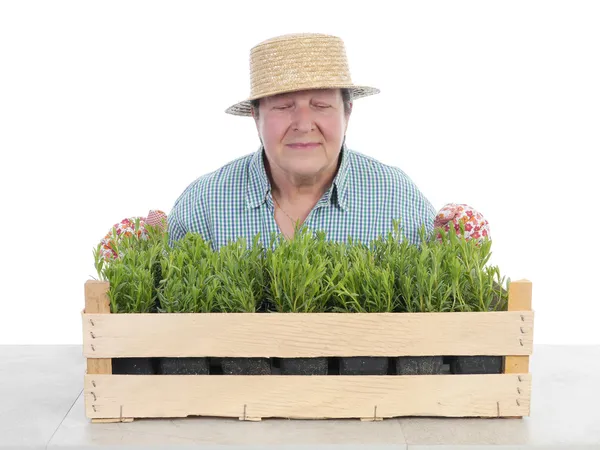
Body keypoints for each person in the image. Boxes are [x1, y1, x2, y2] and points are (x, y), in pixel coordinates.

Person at [167, 33, 436, 250]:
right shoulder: (203, 205)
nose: (304, 124)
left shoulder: (399, 200)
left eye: (320, 105)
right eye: (284, 107)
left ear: (347, 113)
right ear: (255, 116)